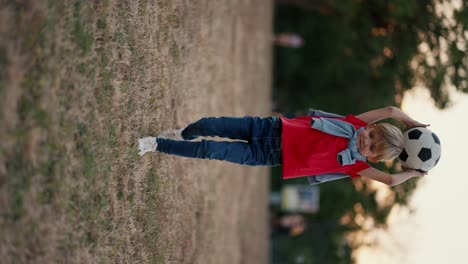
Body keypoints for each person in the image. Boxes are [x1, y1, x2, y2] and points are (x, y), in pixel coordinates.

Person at [138, 106, 428, 186]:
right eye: (373, 135)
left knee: (211, 150)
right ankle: (183, 134)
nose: (367, 141)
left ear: (372, 158)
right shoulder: (351, 123)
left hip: (266, 155)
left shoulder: (356, 166)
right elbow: (391, 110)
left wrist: (413, 172)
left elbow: (390, 180)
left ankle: (157, 145)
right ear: (371, 127)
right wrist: (412, 123)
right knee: (209, 125)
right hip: (268, 128)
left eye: (372, 148)